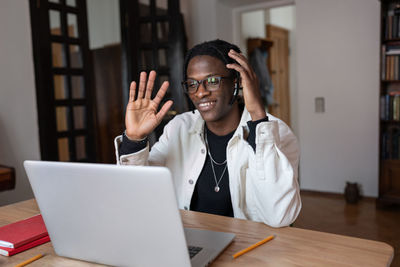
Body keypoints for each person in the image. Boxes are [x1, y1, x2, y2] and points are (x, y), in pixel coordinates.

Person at [114, 39, 301, 227]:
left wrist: (258, 118)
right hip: (190, 243)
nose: (200, 93)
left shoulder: (276, 132)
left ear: (237, 83)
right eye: (192, 84)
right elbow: (139, 194)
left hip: (250, 248)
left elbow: (279, 216)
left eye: (212, 81)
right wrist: (134, 140)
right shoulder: (179, 127)